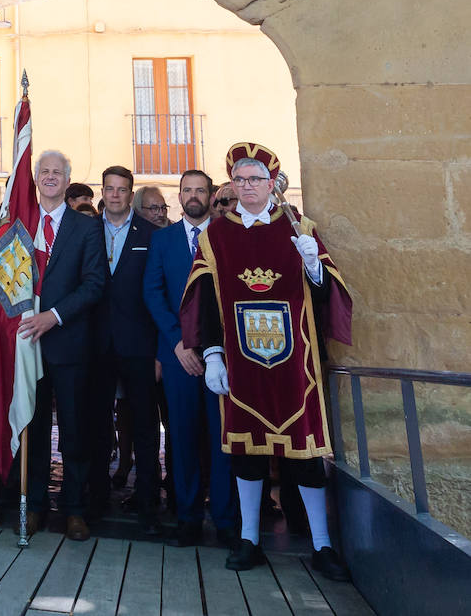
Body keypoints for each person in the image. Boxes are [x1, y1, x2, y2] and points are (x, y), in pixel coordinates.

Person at [181, 142, 353, 580]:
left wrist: (314, 266)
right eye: (239, 180)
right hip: (240, 362)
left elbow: (322, 297)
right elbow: (205, 300)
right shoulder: (216, 235)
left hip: (296, 361)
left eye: (255, 179)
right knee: (245, 451)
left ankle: (322, 544)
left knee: (306, 455)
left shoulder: (299, 227)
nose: (247, 187)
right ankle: (250, 540)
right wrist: (213, 354)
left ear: (272, 184)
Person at [143, 169, 237, 548]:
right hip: (179, 355)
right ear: (179, 196)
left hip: (224, 356)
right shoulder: (162, 240)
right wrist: (179, 343)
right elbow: (153, 292)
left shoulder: (227, 236)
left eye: (200, 189)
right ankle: (188, 517)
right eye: (187, 190)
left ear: (211, 195)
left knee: (223, 439)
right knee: (181, 438)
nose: (193, 195)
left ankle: (227, 520)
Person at [17, 149, 108, 541]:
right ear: (36, 178)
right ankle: (34, 506)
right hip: (27, 345)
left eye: (58, 172)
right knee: (33, 430)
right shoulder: (20, 224)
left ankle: (74, 510)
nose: (51, 177)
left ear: (68, 180)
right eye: (45, 171)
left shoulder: (87, 228)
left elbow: (94, 284)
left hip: (69, 342)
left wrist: (52, 315)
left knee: (74, 430)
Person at [89, 165, 162, 536]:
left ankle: (149, 503)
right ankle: (97, 500)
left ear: (130, 194)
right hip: (97, 345)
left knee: (146, 427)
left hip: (139, 345)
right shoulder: (85, 231)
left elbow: (158, 293)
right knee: (97, 426)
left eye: (121, 190)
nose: (115, 195)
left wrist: (160, 352)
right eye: (109, 189)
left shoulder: (151, 234)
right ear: (101, 191)